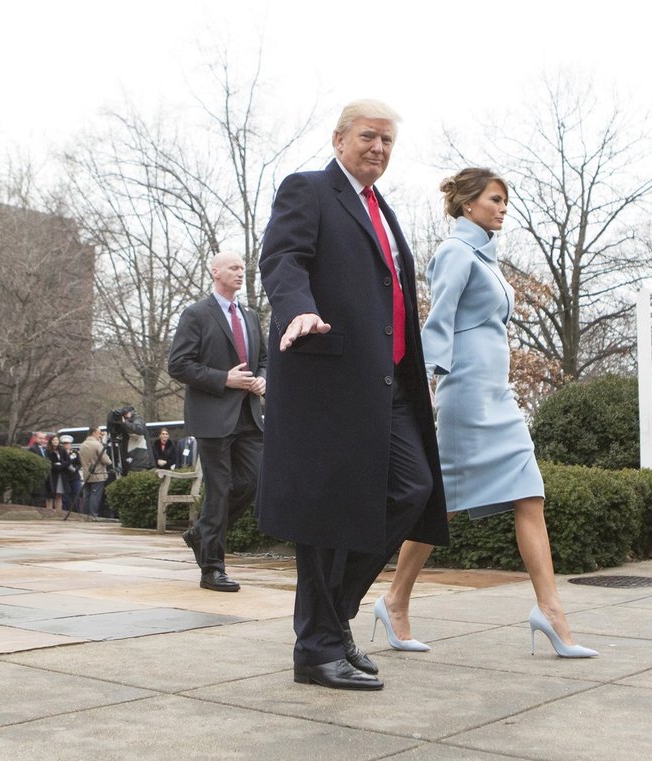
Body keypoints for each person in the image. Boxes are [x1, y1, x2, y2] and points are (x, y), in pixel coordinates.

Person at [258, 99, 450, 691]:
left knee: (411, 489)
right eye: (369, 136)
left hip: (387, 385)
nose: (379, 149)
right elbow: (283, 259)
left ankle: (330, 621)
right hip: (329, 380)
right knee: (327, 516)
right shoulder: (308, 189)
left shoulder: (383, 211)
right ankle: (317, 649)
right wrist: (299, 309)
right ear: (339, 138)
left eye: (389, 141)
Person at [379, 168, 597, 660]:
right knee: (445, 505)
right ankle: (394, 600)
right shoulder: (455, 253)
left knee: (530, 493)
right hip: (466, 397)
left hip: (497, 394)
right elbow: (439, 321)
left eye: (504, 201)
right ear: (469, 203)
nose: (502, 208)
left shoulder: (487, 258)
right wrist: (426, 385)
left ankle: (551, 611)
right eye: (495, 199)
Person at [168, 251, 267, 593]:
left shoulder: (251, 316)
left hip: (249, 416)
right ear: (215, 271)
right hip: (212, 418)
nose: (241, 273)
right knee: (219, 490)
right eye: (234, 268)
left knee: (253, 482)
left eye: (243, 268)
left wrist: (263, 380)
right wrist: (223, 379)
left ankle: (200, 534)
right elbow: (178, 364)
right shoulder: (196, 314)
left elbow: (265, 360)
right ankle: (212, 568)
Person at [79, 426, 112, 520]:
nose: (100, 434)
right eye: (99, 432)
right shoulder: (97, 445)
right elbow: (106, 460)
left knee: (87, 495)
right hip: (98, 474)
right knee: (95, 495)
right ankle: (93, 515)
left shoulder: (82, 445)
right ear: (94, 432)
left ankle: (85, 514)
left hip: (86, 474)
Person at [118, 406, 152, 474]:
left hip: (140, 460)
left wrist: (125, 424)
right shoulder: (128, 425)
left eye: (126, 414)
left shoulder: (137, 420)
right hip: (133, 459)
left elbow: (139, 430)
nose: (125, 417)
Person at [45, 435, 70, 509]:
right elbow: (48, 462)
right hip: (52, 476)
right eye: (54, 440)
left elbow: (68, 461)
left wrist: (61, 465)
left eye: (57, 440)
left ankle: (59, 512)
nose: (55, 442)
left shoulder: (62, 450)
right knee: (50, 494)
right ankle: (49, 511)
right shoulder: (47, 451)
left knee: (59, 495)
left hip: (61, 475)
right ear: (51, 442)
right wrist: (55, 466)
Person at [60, 435, 83, 512]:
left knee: (76, 494)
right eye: (65, 443)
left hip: (74, 476)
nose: (66, 445)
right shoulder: (60, 453)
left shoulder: (75, 452)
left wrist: (75, 468)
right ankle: (67, 510)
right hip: (65, 477)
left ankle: (78, 511)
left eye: (68, 443)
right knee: (66, 496)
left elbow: (79, 463)